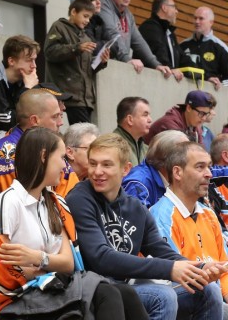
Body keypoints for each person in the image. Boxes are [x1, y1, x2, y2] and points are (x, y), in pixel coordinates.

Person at [0, 127, 149, 320]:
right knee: (106, 292)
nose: (65, 166)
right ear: (44, 157)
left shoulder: (55, 202)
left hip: (52, 287)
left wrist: (38, 258)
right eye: (61, 158)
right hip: (16, 298)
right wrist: (48, 266)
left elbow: (67, 264)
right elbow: (3, 269)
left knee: (126, 293)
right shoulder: (9, 201)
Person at [66, 133, 224, 320]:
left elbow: (162, 250)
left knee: (208, 290)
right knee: (162, 296)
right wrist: (170, 269)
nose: (97, 171)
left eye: (106, 165)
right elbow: (100, 257)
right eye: (93, 164)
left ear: (126, 169)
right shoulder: (80, 198)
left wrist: (200, 268)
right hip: (95, 291)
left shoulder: (135, 207)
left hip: (127, 289)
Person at [150, 141, 228, 317]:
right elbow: (173, 279)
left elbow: (225, 269)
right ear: (177, 172)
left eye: (209, 167)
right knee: (209, 292)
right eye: (200, 167)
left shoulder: (208, 214)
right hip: (183, 302)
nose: (209, 174)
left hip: (213, 299)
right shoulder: (161, 217)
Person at [0, 88, 78, 197]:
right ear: (35, 120)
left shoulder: (51, 145)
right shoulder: (7, 153)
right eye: (55, 117)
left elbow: (72, 192)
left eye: (60, 115)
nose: (61, 123)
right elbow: (12, 201)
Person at [44, 0, 109, 124]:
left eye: (89, 18)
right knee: (83, 133)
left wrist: (101, 62)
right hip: (67, 93)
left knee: (84, 132)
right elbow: (50, 52)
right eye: (85, 16)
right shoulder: (59, 27)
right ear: (73, 12)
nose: (87, 21)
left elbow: (88, 70)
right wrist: (76, 48)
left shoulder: (86, 37)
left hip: (84, 99)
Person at [99, 0, 172, 77]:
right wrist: (126, 58)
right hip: (101, 69)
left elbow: (138, 41)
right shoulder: (102, 4)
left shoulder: (128, 15)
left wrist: (156, 64)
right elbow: (111, 32)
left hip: (116, 69)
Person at [122, 130, 189, 208]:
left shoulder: (171, 177)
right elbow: (138, 215)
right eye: (186, 155)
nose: (189, 160)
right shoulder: (138, 184)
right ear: (169, 159)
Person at [139, 0, 193, 81]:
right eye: (174, 7)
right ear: (164, 8)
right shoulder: (150, 28)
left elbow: (182, 58)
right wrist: (171, 69)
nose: (176, 11)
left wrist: (205, 75)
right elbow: (158, 53)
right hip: (149, 80)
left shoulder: (169, 33)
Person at [180, 7, 228, 90]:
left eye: (201, 18)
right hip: (184, 90)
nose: (197, 21)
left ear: (211, 22)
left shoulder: (220, 48)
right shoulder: (183, 45)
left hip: (210, 94)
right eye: (195, 18)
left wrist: (220, 89)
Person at [145, 90, 214, 146]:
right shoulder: (171, 123)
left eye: (206, 114)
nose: (204, 118)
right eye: (201, 113)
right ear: (189, 108)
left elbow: (200, 150)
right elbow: (182, 154)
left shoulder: (194, 124)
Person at [113, 97, 151, 166]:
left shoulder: (146, 149)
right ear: (130, 120)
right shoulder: (113, 146)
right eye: (145, 115)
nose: (150, 120)